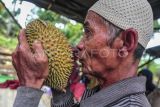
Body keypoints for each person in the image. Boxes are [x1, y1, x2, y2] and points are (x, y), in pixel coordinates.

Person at [12, 0, 153, 107]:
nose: (79, 45)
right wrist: (61, 87)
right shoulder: (104, 94)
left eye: (88, 32)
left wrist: (29, 88)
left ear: (126, 43)